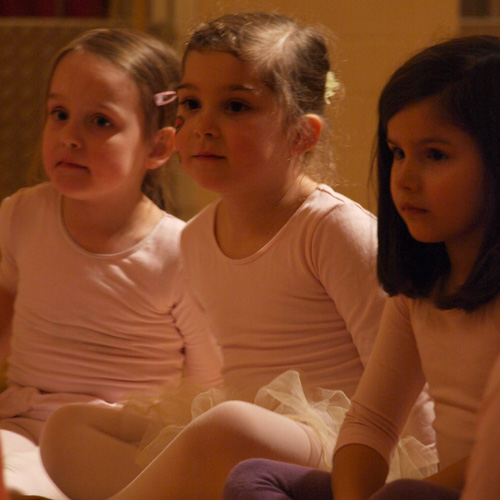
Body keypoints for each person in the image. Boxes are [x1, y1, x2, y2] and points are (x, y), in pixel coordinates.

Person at [39, 13, 435, 500]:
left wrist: (419, 481)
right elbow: (222, 374)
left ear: (301, 135)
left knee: (229, 426)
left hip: (342, 453)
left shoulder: (332, 230)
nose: (202, 126)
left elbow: (405, 379)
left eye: (235, 106)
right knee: (68, 428)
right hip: (243, 437)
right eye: (190, 103)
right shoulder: (196, 238)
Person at [222, 34, 500, 500]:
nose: (405, 178)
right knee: (254, 477)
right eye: (397, 153)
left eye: (435, 155)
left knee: (403, 495)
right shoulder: (418, 294)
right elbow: (371, 422)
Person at [0, 28, 222, 497]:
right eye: (59, 114)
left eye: (100, 122)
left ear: (158, 147)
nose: (69, 137)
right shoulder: (22, 215)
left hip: (115, 441)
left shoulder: (181, 250)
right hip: (21, 427)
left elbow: (209, 383)